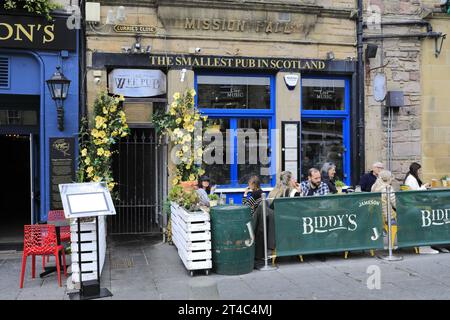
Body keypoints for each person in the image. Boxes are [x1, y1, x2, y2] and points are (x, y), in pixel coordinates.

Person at [254, 171, 297, 265]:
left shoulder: (274, 191)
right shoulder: (292, 192)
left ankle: (254, 238)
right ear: (289, 180)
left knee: (262, 209)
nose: (295, 180)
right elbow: (295, 210)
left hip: (271, 221)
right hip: (283, 222)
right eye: (293, 178)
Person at [403, 163, 440, 254]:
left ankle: (435, 243)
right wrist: (424, 186)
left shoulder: (411, 177)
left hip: (414, 204)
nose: (420, 172)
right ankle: (427, 245)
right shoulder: (411, 179)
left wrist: (424, 187)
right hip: (414, 205)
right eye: (419, 170)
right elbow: (416, 192)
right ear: (415, 170)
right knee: (431, 215)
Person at [371, 170, 398, 248]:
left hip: (377, 217)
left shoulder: (374, 187)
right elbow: (396, 204)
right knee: (412, 216)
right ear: (389, 179)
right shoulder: (388, 188)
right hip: (389, 218)